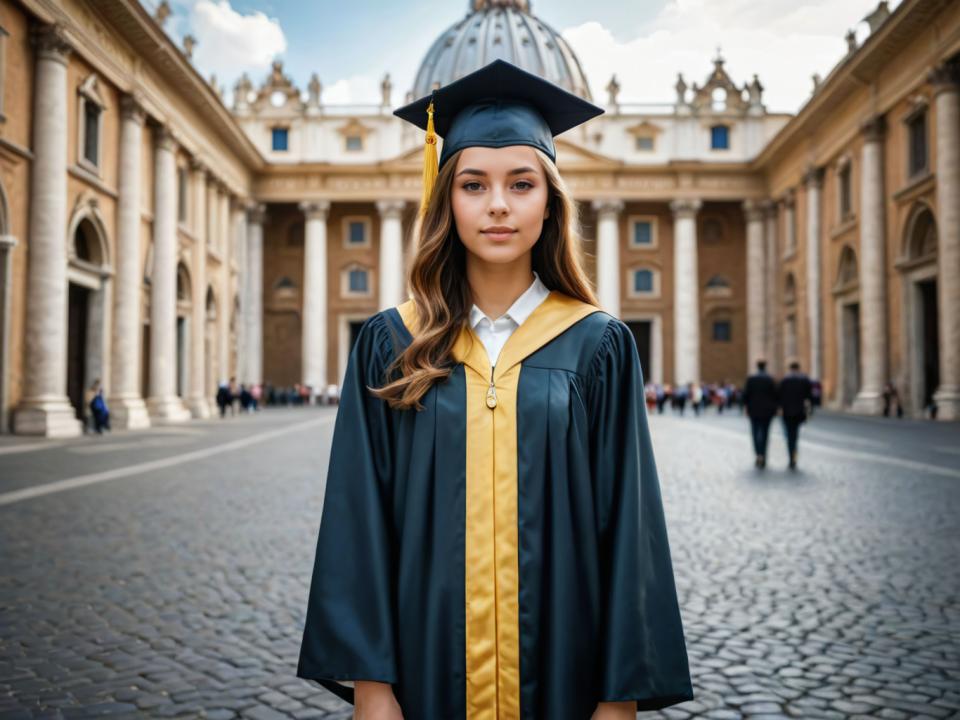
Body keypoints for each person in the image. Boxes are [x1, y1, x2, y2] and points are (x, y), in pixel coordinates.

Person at [296, 59, 693, 720]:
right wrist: (371, 688)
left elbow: (629, 528)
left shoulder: (598, 346)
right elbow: (357, 522)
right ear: (447, 198)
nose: (499, 206)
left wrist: (618, 698)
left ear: (550, 199)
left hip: (564, 672)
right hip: (425, 675)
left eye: (522, 183)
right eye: (474, 184)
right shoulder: (394, 343)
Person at [742, 359, 778, 469]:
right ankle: (764, 454)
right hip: (767, 411)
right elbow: (775, 395)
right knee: (765, 434)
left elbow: (746, 395)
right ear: (765, 366)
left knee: (755, 433)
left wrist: (745, 406)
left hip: (754, 410)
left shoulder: (751, 379)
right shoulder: (770, 379)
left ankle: (758, 454)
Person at [778, 360, 813, 470]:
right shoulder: (804, 380)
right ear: (798, 368)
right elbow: (809, 396)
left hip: (787, 412)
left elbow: (779, 396)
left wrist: (780, 408)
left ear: (790, 368)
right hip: (799, 412)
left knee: (789, 436)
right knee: (795, 435)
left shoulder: (784, 380)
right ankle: (794, 455)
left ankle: (791, 456)